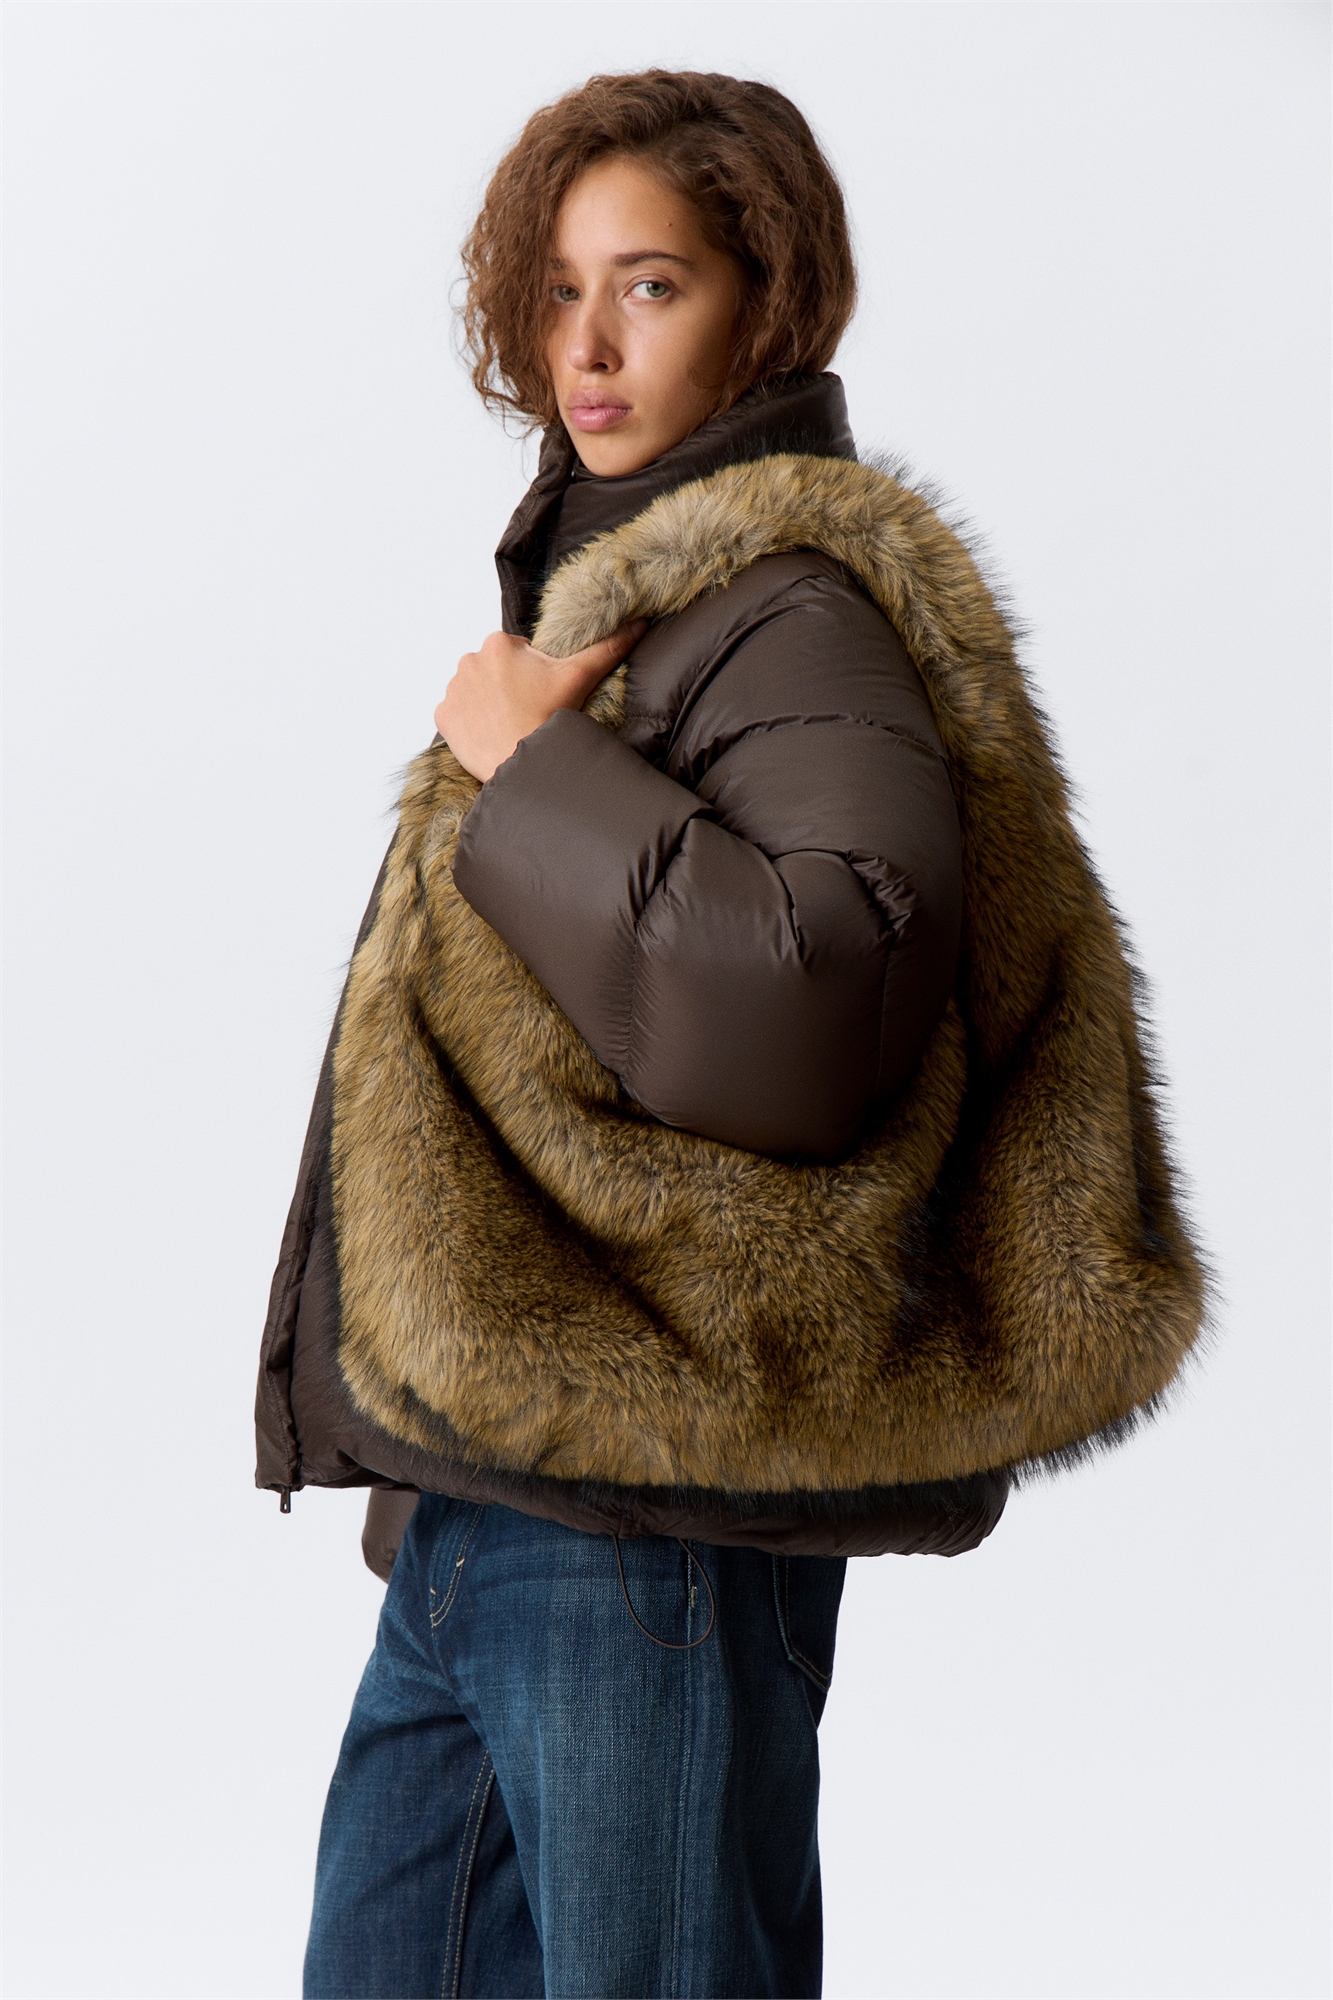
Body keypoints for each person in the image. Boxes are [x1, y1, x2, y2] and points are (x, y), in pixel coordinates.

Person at [256, 69, 1204, 2000]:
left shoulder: (792, 616)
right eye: (556, 289)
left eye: (650, 285)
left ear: (765, 306)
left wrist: (525, 771)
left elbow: (807, 1002)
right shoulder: (629, 608)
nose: (585, 347)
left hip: (648, 1517)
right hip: (487, 1504)